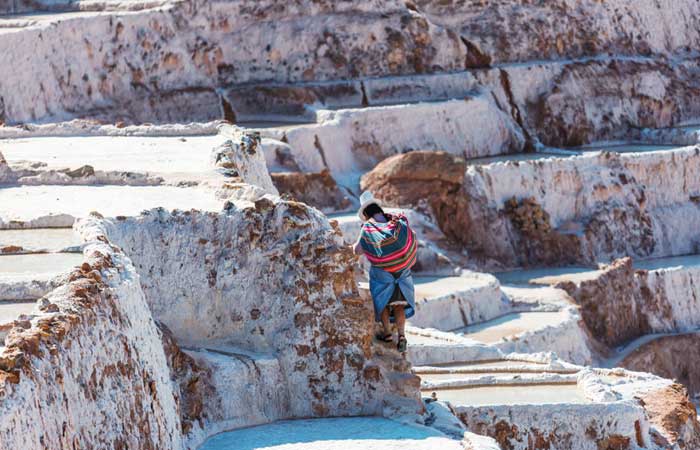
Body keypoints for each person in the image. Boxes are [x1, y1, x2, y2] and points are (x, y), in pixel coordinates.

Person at [352, 191, 417, 353]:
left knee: (383, 303)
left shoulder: (368, 227)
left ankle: (387, 333)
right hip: (402, 270)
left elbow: (357, 250)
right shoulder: (395, 221)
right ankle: (402, 336)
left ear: (366, 212)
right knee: (399, 304)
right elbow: (411, 236)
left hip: (382, 273)